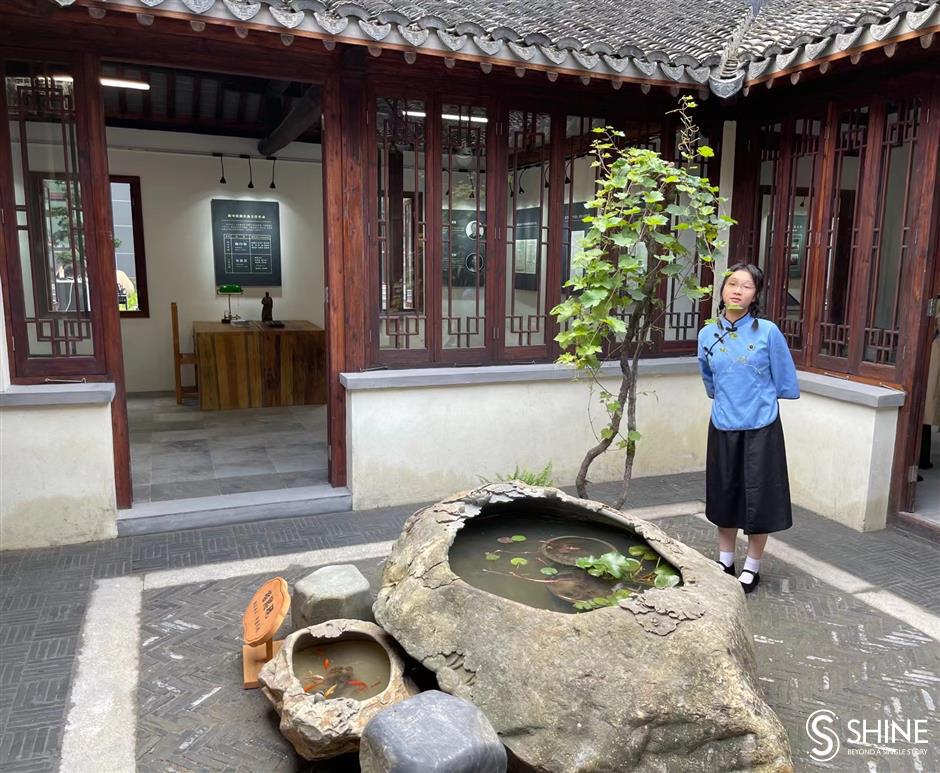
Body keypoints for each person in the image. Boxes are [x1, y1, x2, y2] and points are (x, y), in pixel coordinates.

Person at [696, 263, 800, 594]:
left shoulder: (768, 332)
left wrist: (759, 400)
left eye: (747, 286)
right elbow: (709, 379)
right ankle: (725, 560)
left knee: (759, 499)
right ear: (723, 290)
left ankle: (752, 567)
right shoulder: (707, 334)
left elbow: (784, 379)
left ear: (756, 295)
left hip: (761, 426)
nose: (738, 290)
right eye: (732, 284)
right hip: (723, 424)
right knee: (724, 494)